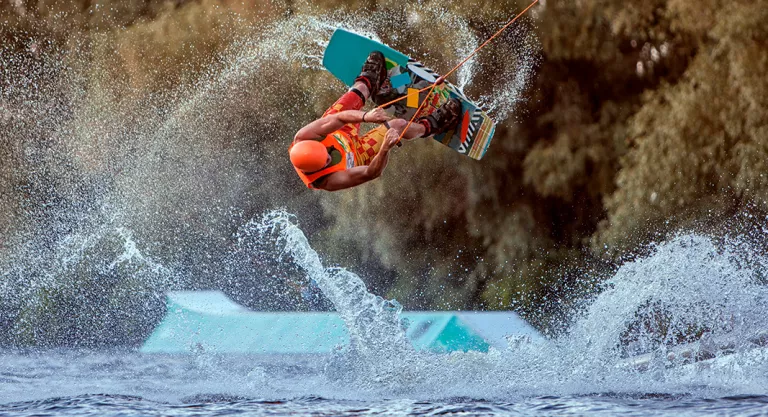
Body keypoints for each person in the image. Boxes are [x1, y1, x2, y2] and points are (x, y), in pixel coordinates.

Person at [290, 51, 462, 191]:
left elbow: (339, 118)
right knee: (398, 126)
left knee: (359, 91)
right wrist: (385, 149)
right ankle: (431, 125)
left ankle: (374, 83)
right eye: (327, 160)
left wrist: (367, 116)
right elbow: (370, 173)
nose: (329, 156)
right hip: (357, 154)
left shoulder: (305, 136)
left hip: (339, 131)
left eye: (326, 152)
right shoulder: (330, 181)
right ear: (316, 169)